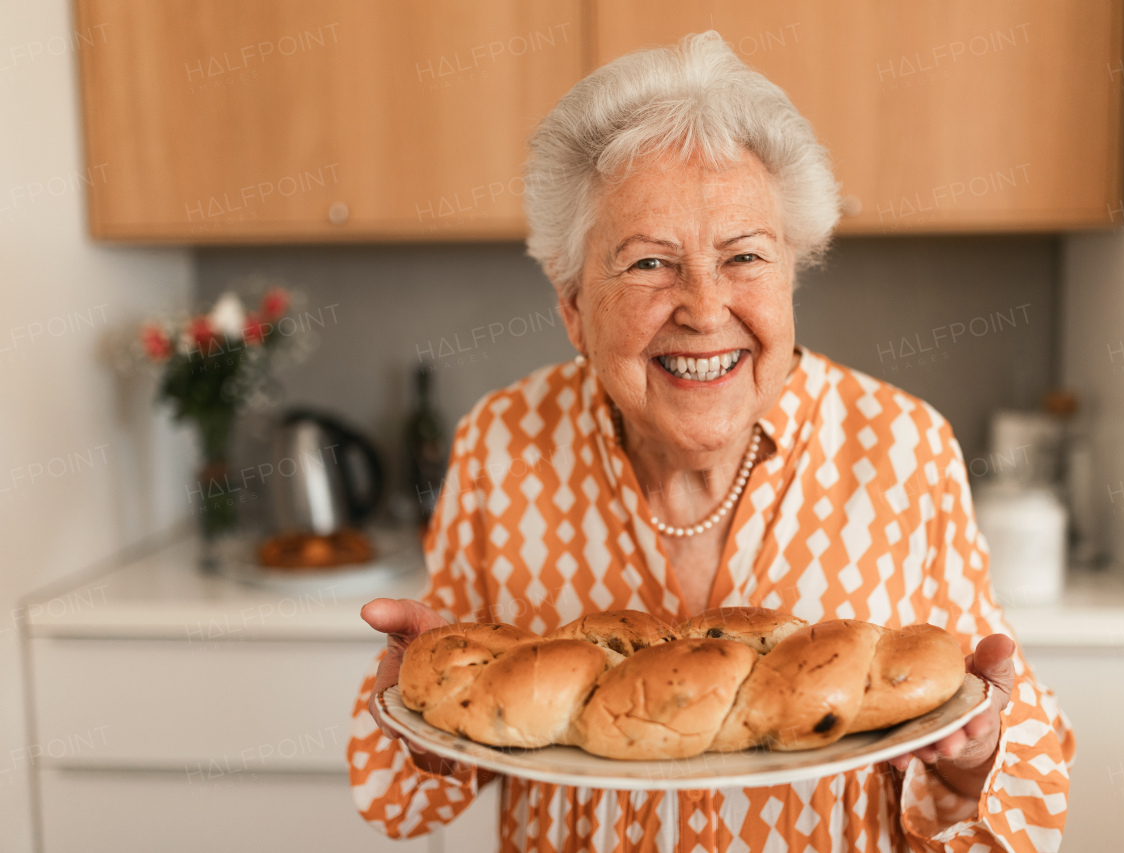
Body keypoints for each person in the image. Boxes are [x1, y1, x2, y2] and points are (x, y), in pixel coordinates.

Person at [348, 31, 1074, 852]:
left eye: (744, 256)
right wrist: (416, 706)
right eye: (650, 263)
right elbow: (397, 806)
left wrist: (974, 757)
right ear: (574, 307)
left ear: (792, 274)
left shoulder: (902, 448)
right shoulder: (503, 445)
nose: (702, 306)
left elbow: (1033, 803)